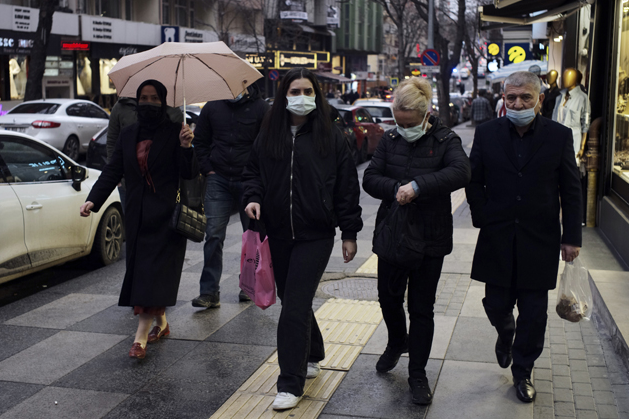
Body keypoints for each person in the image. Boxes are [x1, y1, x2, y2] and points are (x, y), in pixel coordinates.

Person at [242, 68, 363, 411]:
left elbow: (346, 189)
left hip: (316, 234)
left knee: (294, 304)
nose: (302, 95)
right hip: (277, 233)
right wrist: (252, 196)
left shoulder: (332, 136)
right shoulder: (268, 134)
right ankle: (314, 352)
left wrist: (349, 232)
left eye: (308, 90)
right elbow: (252, 173)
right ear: (283, 95)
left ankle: (290, 384)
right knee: (294, 299)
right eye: (295, 90)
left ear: (317, 94)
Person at [465, 71, 582, 403]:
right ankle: (505, 333)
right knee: (495, 304)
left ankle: (523, 371)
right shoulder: (487, 134)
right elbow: (473, 180)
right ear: (503, 99)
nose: (517, 103)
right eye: (511, 98)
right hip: (497, 235)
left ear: (540, 100)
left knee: (533, 313)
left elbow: (571, 190)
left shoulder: (559, 136)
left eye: (525, 98)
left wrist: (571, 237)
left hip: (539, 238)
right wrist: (482, 214)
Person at [362, 77, 471, 405]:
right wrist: (397, 189)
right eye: (398, 121)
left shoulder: (445, 138)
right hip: (394, 232)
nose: (402, 127)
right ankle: (397, 341)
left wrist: (419, 186)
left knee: (422, 307)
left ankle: (418, 374)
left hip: (430, 235)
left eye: (409, 123)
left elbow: (462, 172)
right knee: (387, 297)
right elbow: (370, 177)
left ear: (426, 115)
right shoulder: (390, 138)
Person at [79, 80, 197, 360]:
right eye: (144, 97)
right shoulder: (128, 134)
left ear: (164, 101)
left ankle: (140, 337)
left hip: (166, 216)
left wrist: (186, 148)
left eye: (155, 98)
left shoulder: (175, 132)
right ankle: (162, 324)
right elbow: (113, 169)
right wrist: (93, 199)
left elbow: (190, 173)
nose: (149, 102)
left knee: (151, 275)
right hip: (137, 215)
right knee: (144, 273)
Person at [191, 82, 270, 308]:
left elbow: (267, 146)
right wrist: (208, 169)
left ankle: (248, 285)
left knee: (252, 235)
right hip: (219, 178)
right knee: (213, 235)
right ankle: (209, 292)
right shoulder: (212, 107)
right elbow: (201, 142)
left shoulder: (261, 109)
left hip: (250, 181)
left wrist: (259, 177)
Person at [106, 95, 183, 208]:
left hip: (162, 183)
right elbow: (112, 142)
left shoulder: (171, 108)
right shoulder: (121, 106)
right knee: (131, 222)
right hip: (129, 182)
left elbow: (179, 150)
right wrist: (116, 176)